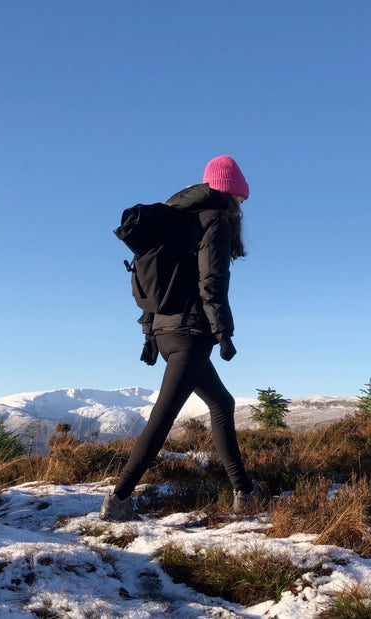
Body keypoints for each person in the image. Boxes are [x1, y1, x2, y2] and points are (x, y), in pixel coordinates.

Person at [101, 155, 268, 521]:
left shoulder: (175, 218)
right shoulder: (214, 222)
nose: (241, 207)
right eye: (240, 199)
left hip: (165, 332)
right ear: (230, 194)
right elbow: (212, 284)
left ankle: (244, 491)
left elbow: (155, 281)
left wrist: (150, 334)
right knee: (163, 417)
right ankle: (119, 499)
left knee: (221, 403)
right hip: (190, 334)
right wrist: (223, 333)